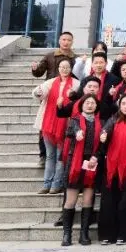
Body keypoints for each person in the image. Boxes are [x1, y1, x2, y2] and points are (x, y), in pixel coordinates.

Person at [96, 94, 126, 245]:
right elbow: (104, 135)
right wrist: (103, 137)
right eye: (123, 103)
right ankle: (107, 235)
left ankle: (124, 235)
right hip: (111, 167)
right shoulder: (113, 120)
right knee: (108, 202)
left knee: (125, 203)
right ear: (119, 105)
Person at [60, 94, 102, 247]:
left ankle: (84, 233)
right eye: (87, 103)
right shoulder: (75, 120)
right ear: (82, 105)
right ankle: (67, 234)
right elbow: (70, 132)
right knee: (70, 200)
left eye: (92, 103)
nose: (90, 105)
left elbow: (102, 144)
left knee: (88, 200)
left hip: (91, 163)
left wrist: (96, 156)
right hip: (75, 163)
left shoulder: (100, 123)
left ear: (96, 106)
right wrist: (77, 133)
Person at [34, 57, 76, 194]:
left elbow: (78, 99)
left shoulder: (76, 83)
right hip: (49, 125)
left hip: (66, 124)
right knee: (50, 156)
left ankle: (56, 184)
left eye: (67, 67)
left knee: (60, 157)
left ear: (71, 69)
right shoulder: (50, 82)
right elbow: (40, 92)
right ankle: (47, 184)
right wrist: (38, 93)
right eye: (62, 67)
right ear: (58, 69)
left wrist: (72, 95)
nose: (64, 69)